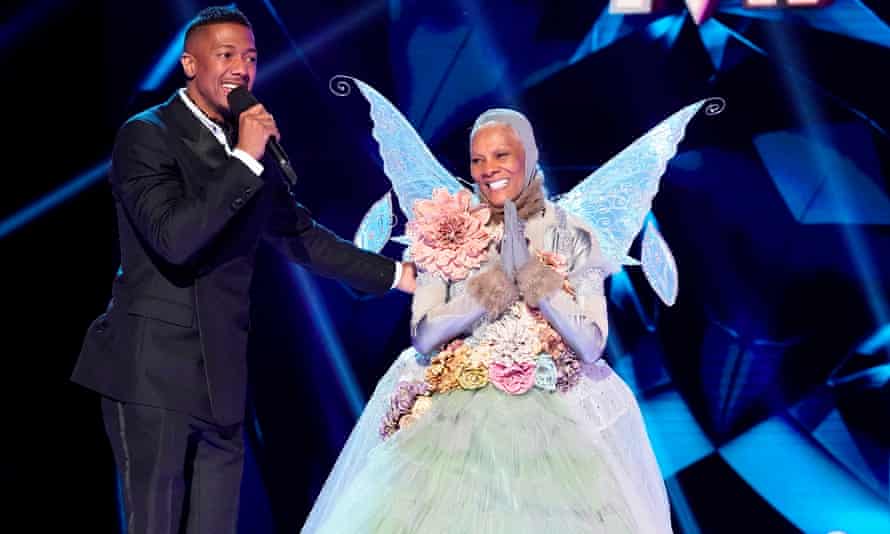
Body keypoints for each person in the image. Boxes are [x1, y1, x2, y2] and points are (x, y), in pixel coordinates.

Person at [71, 6, 414, 534]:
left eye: (250, 57)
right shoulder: (147, 136)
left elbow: (300, 236)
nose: (241, 69)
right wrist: (246, 161)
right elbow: (176, 240)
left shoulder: (244, 143)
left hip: (223, 374)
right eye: (226, 54)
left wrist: (396, 275)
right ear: (190, 63)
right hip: (150, 371)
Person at [301, 108, 673, 533]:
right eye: (478, 160)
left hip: (552, 425)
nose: (487, 170)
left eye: (501, 156)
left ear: (529, 155)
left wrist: (533, 276)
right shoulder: (446, 227)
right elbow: (424, 335)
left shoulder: (573, 233)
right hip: (456, 421)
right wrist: (493, 283)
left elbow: (591, 344)